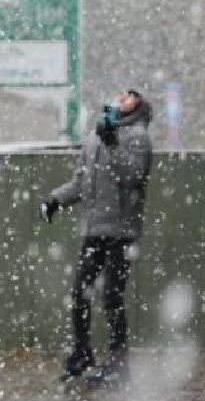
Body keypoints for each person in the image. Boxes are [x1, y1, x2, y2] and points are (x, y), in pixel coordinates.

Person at [41, 90, 154, 383]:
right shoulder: (96, 136)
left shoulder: (138, 136)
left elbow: (134, 176)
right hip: (95, 230)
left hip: (122, 232)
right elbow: (81, 181)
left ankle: (119, 365)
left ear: (139, 105)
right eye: (123, 94)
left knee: (111, 296)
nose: (124, 97)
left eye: (132, 95)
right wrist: (56, 199)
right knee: (80, 293)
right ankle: (82, 353)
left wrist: (112, 143)